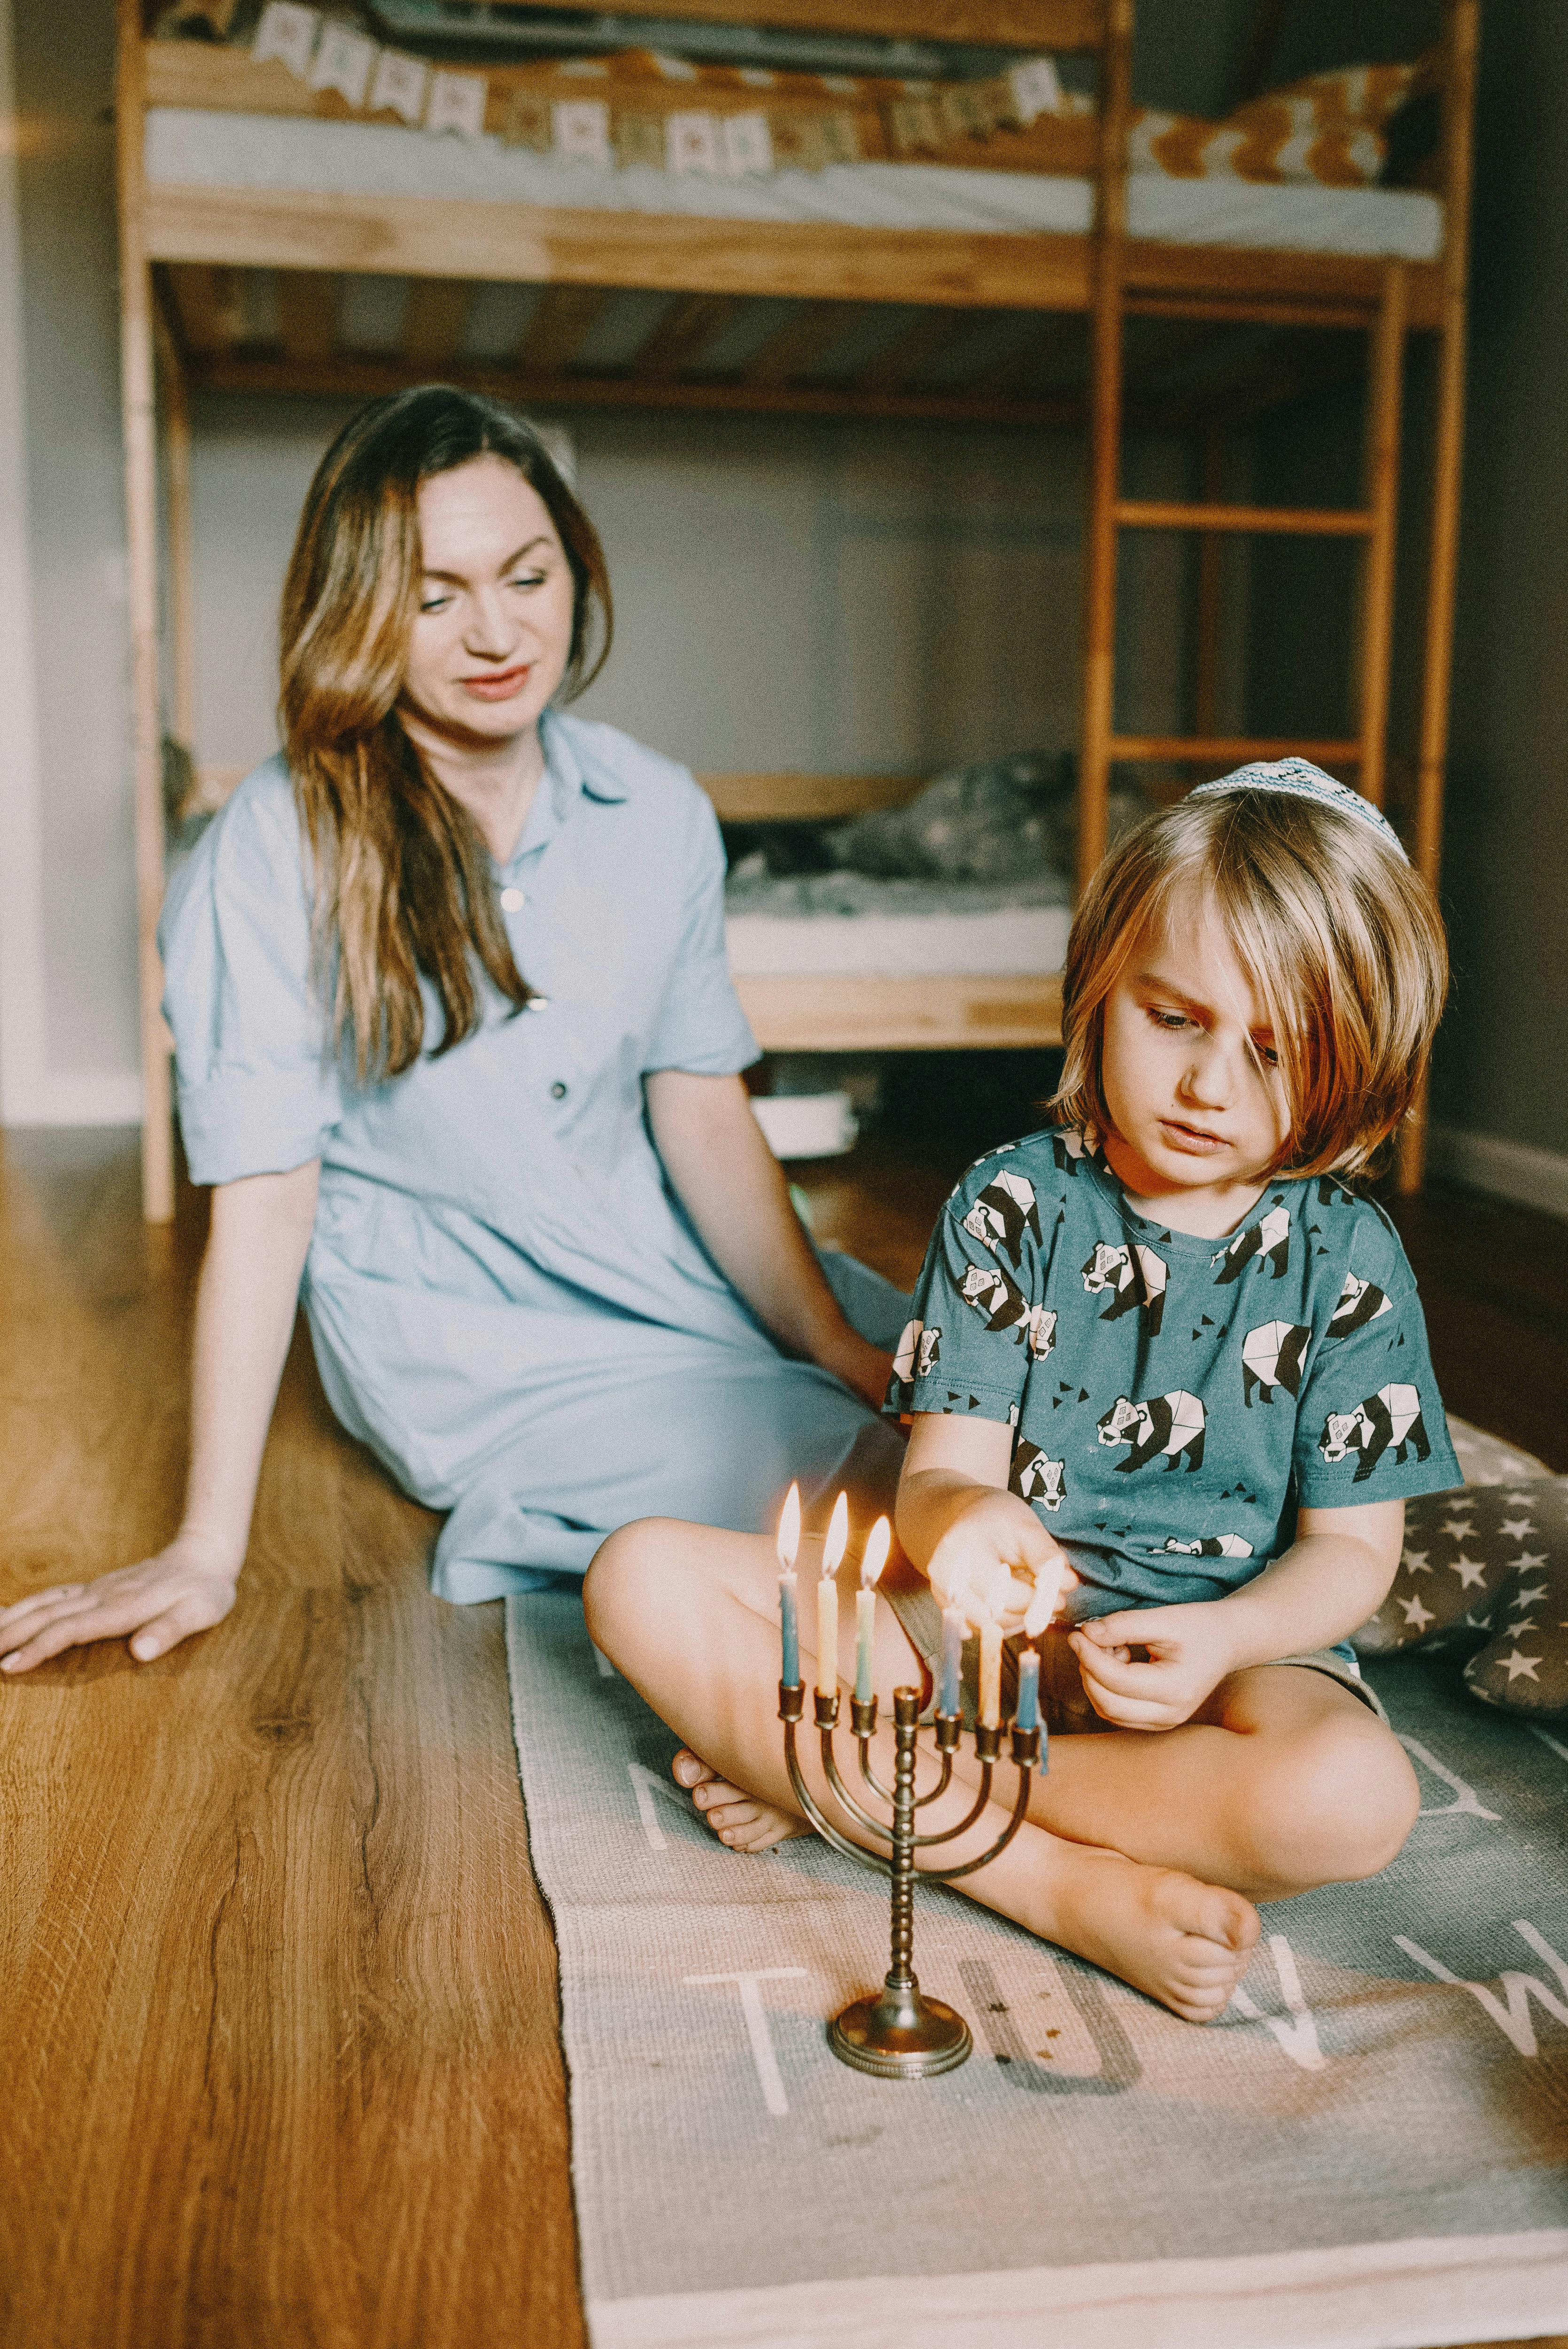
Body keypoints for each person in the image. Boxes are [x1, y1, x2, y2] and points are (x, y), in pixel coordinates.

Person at [0, 387, 906, 1677]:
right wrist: (206, 1547)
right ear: (362, 614)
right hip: (474, 1344)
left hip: (667, 1268)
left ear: (572, 571)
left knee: (996, 1409)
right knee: (892, 1496)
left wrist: (826, 1341)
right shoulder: (268, 852)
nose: (497, 631)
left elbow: (698, 1103)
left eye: (526, 576)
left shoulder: (654, 807)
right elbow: (264, 1208)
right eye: (435, 597)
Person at [584, 761, 1462, 2024]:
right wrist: (963, 1525)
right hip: (972, 1652)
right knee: (638, 1579)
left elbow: (1348, 1557)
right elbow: (943, 1475)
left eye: (1273, 1051)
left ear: (1354, 1062)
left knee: (1351, 1798)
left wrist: (1224, 1636)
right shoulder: (1013, 1202)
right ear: (1102, 987)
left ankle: (858, 1781)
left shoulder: (1350, 1260)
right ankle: (1044, 1881)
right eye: (1173, 1019)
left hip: (1221, 1671)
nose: (1211, 1085)